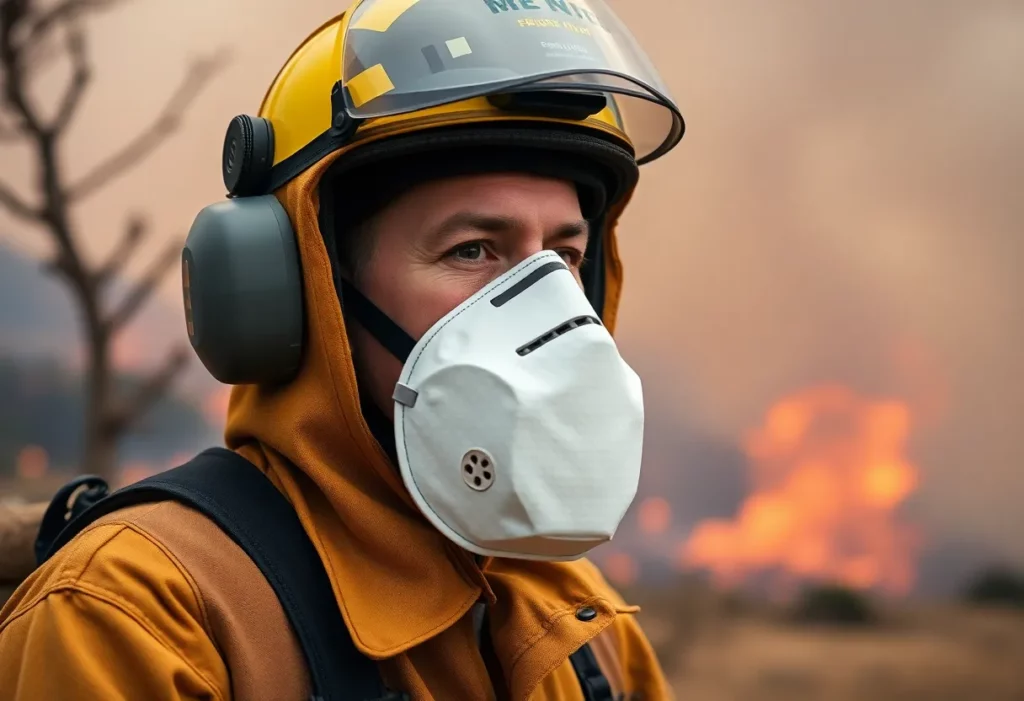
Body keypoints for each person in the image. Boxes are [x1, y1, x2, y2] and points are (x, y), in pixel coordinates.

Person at [0, 1, 685, 698]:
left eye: (564, 256)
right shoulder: (140, 616)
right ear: (304, 286)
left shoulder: (584, 628)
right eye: (473, 249)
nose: (546, 304)